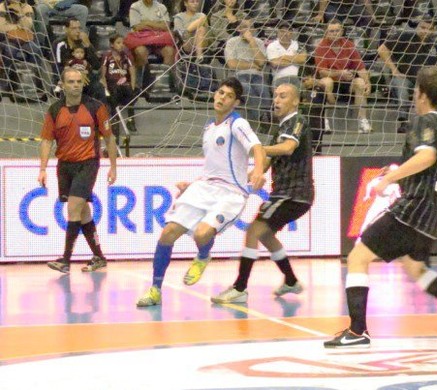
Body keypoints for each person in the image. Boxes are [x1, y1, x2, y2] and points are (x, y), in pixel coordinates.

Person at [323, 64, 437, 349]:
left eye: (415, 92)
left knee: (358, 257)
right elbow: (430, 165)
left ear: (421, 95)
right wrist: (397, 170)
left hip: (415, 208)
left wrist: (390, 179)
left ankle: (358, 331)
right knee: (415, 267)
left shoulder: (424, 122)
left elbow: (427, 157)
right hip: (436, 213)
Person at [136, 77, 267, 307]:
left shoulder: (237, 124)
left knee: (202, 234)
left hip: (230, 193)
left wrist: (257, 170)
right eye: (220, 92)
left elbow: (257, 148)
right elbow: (213, 166)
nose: (222, 97)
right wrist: (193, 185)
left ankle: (203, 256)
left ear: (235, 102)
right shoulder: (208, 127)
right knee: (168, 233)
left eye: (228, 96)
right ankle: (155, 290)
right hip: (204, 187)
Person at [211, 83, 314, 303]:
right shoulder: (280, 127)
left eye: (283, 96)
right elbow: (266, 162)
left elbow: (287, 148)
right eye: (275, 96)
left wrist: (254, 146)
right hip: (284, 193)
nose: (276, 100)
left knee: (253, 231)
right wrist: (244, 175)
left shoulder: (297, 120)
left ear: (295, 101)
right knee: (265, 235)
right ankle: (291, 281)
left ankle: (240, 288)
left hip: (294, 193)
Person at [38, 67, 117, 274]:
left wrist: (113, 167)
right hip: (64, 166)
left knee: (73, 207)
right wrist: (43, 168)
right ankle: (99, 256)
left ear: (84, 84)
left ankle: (65, 260)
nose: (75, 85)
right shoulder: (55, 110)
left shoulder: (95, 107)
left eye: (78, 82)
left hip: (87, 163)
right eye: (71, 82)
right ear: (62, 85)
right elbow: (46, 141)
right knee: (82, 211)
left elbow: (109, 138)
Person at [377, 16, 437, 132]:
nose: (424, 30)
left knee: (433, 87)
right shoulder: (404, 37)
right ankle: (404, 122)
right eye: (422, 27)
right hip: (405, 77)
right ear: (417, 27)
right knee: (402, 86)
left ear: (433, 31)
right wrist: (394, 69)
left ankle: (426, 122)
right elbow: (382, 50)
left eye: (428, 29)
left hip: (425, 81)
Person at [314, 20, 372, 134]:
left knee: (360, 82)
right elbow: (322, 72)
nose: (334, 33)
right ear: (326, 33)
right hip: (330, 83)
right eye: (331, 31)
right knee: (327, 81)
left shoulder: (349, 45)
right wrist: (340, 73)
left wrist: (368, 82)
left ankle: (362, 120)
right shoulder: (321, 47)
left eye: (337, 30)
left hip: (346, 83)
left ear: (342, 31)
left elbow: (360, 67)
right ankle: (324, 121)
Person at [224, 18, 270, 125]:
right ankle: (261, 119)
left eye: (251, 27)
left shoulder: (258, 42)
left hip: (257, 76)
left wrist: (252, 42)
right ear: (239, 29)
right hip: (239, 75)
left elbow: (262, 63)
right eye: (245, 27)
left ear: (254, 30)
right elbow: (232, 64)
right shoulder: (232, 42)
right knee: (248, 90)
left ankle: (265, 116)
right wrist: (252, 65)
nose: (248, 30)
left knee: (264, 90)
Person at [100, 34, 138, 135]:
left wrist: (132, 86)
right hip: (111, 83)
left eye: (122, 43)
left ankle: (131, 120)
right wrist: (105, 88)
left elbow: (132, 72)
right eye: (118, 43)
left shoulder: (126, 56)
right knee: (114, 92)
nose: (121, 45)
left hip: (124, 83)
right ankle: (115, 120)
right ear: (112, 44)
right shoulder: (106, 56)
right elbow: (103, 75)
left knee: (131, 92)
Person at [266, 21, 307, 89]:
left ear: (291, 33)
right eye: (282, 31)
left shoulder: (299, 45)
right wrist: (295, 58)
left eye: (288, 31)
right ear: (278, 33)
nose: (285, 34)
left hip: (298, 78)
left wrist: (284, 57)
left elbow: (302, 59)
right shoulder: (272, 46)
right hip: (279, 79)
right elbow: (275, 63)